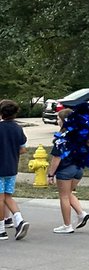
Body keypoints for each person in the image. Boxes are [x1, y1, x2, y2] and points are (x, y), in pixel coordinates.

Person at [47, 109, 89, 234]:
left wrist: (51, 174)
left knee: (64, 196)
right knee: (69, 193)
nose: (57, 121)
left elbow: (56, 158)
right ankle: (81, 213)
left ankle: (67, 225)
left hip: (65, 170)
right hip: (78, 169)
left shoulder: (61, 138)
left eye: (58, 118)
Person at [0, 99, 29, 240]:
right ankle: (19, 220)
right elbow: (22, 149)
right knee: (8, 196)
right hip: (12, 167)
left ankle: (1, 230)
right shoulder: (18, 128)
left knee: (0, 198)